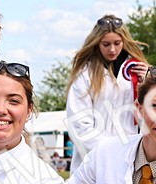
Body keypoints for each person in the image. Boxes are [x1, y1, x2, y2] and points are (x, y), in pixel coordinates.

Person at [64, 14, 149, 171]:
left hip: (130, 159)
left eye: (117, 43)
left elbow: (149, 116)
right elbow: (79, 123)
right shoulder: (85, 74)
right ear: (97, 44)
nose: (112, 49)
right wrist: (111, 153)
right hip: (92, 161)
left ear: (124, 42)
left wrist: (148, 84)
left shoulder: (136, 71)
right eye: (106, 44)